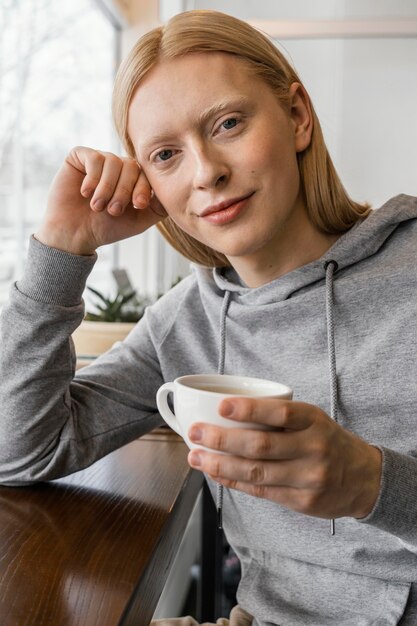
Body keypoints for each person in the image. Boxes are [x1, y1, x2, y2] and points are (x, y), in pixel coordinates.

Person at [1, 9, 417, 625]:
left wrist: (374, 485)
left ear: (297, 117)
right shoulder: (186, 321)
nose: (207, 173)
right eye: (166, 155)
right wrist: (62, 249)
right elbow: (19, 452)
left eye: (228, 123)